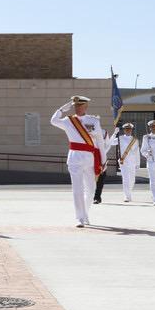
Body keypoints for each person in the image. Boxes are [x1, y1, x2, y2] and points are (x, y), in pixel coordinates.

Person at [50, 96, 103, 227]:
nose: (77, 108)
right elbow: (53, 121)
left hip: (89, 158)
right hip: (74, 157)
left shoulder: (93, 121)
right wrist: (61, 109)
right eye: (75, 106)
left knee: (91, 189)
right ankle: (80, 217)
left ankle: (85, 213)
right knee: (77, 189)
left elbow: (100, 141)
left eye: (80, 106)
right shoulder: (68, 121)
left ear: (86, 106)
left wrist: (103, 160)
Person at [116, 122, 140, 202]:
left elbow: (137, 152)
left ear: (131, 130)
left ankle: (128, 192)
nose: (128, 130)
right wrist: (114, 134)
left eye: (129, 129)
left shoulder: (135, 140)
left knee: (132, 179)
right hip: (124, 161)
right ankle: (127, 196)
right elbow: (111, 142)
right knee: (125, 179)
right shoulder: (120, 138)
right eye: (126, 129)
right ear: (124, 130)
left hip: (132, 161)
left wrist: (138, 163)